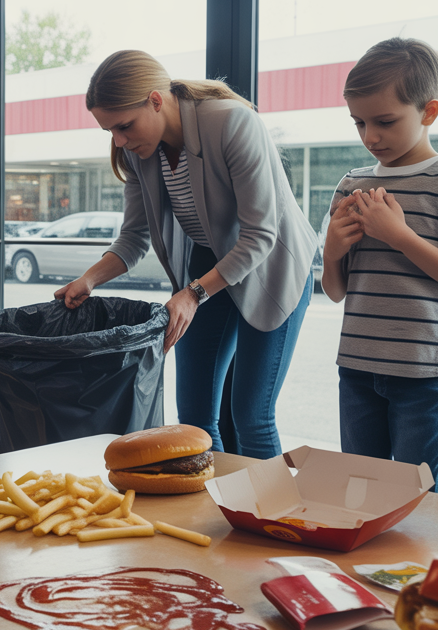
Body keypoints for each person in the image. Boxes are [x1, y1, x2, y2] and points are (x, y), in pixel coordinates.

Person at [56, 50, 318, 460]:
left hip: (272, 270)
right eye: (110, 131)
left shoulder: (232, 122)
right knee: (193, 418)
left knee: (252, 417)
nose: (119, 141)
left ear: (156, 100)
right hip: (209, 268)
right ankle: (214, 514)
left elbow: (260, 235)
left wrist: (192, 293)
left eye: (124, 126)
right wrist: (89, 278)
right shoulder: (139, 152)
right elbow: (134, 237)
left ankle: (269, 518)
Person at [320, 38, 438, 490]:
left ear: (428, 111)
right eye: (359, 123)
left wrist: (399, 235)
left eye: (385, 121)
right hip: (357, 366)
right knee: (360, 492)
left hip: (424, 372)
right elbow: (335, 291)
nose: (370, 136)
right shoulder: (351, 184)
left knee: (413, 497)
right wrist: (332, 250)